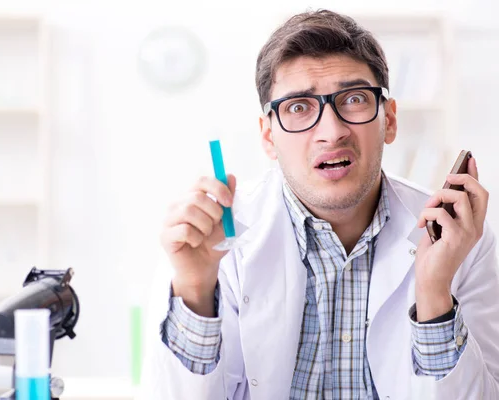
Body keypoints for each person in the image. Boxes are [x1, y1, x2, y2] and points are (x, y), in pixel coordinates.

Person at [138, 9, 499, 400]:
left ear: (389, 120)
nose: (332, 131)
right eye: (298, 107)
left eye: (355, 99)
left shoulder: (459, 240)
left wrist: (432, 291)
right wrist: (194, 289)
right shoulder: (213, 241)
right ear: (268, 137)